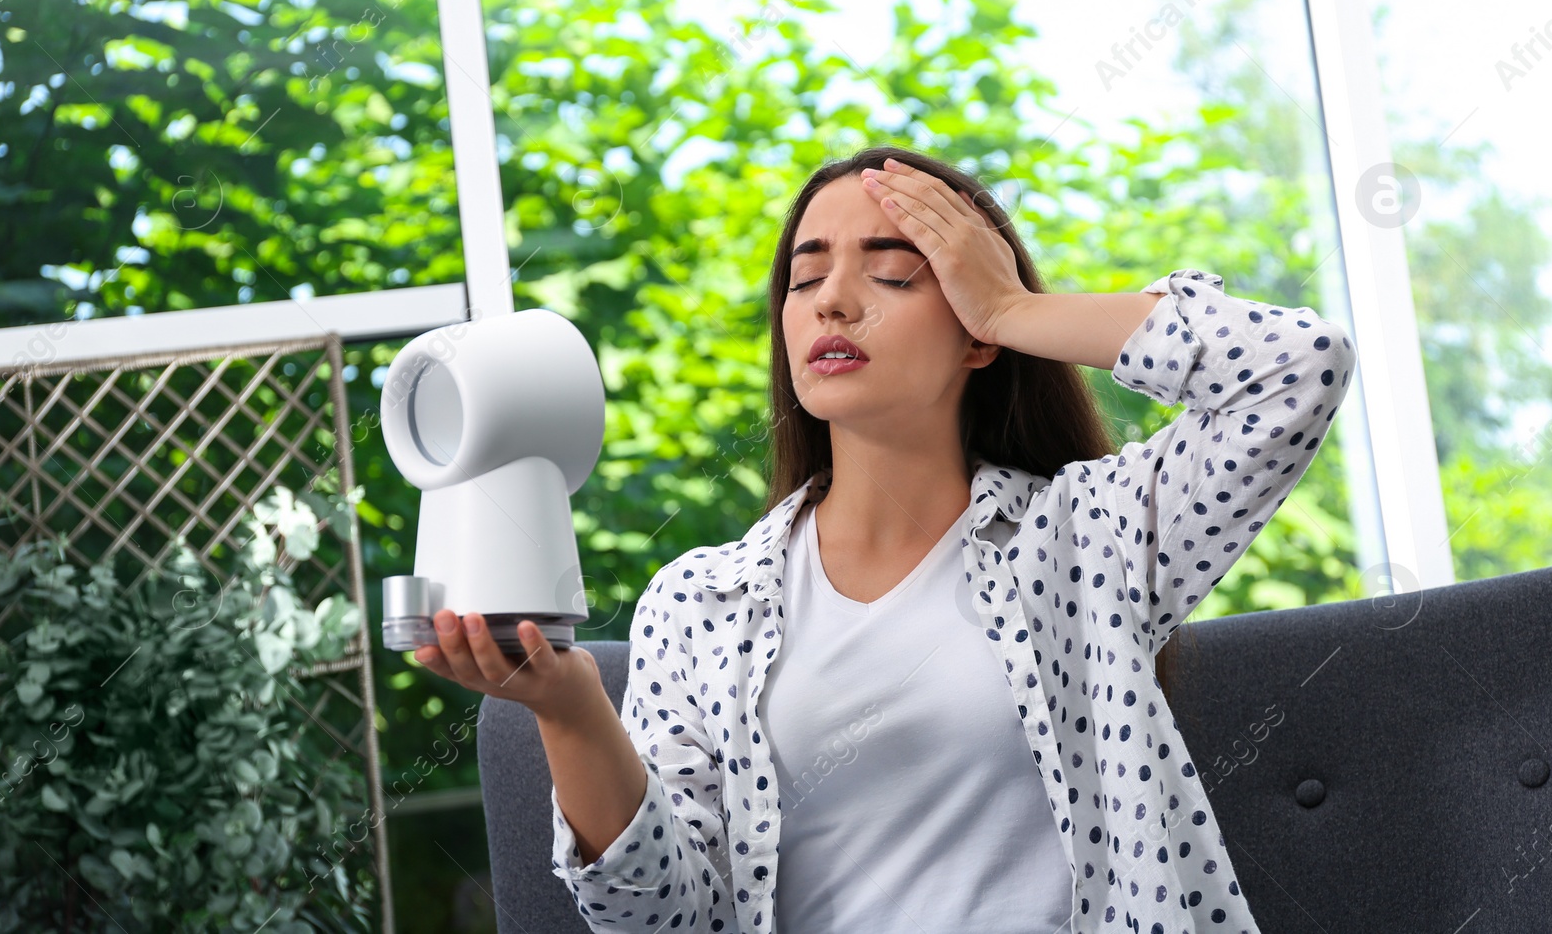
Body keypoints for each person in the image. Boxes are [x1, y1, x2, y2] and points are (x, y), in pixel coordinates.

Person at [410, 143, 1357, 933]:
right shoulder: (701, 604)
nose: (832, 300)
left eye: (897, 272)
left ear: (976, 335)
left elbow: (1297, 369)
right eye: (806, 275)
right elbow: (665, 916)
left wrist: (1019, 311)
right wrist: (574, 713)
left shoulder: (1089, 539)